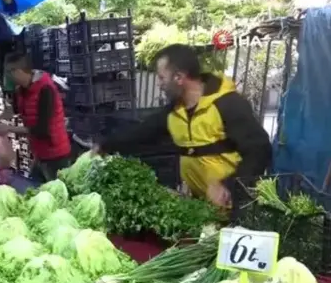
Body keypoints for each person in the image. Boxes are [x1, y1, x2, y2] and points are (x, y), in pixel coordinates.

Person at [94, 44, 272, 207]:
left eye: (162, 77)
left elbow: (259, 150)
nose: (159, 84)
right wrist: (105, 145)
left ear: (179, 77)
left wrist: (229, 185)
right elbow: (142, 132)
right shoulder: (174, 111)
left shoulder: (228, 104)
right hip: (202, 208)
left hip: (236, 207)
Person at [0, 53, 71, 182]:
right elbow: (12, 110)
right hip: (39, 153)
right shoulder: (21, 90)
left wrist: (9, 128)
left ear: (17, 71)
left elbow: (42, 130)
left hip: (56, 155)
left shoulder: (46, 90)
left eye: (9, 73)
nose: (8, 77)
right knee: (34, 187)